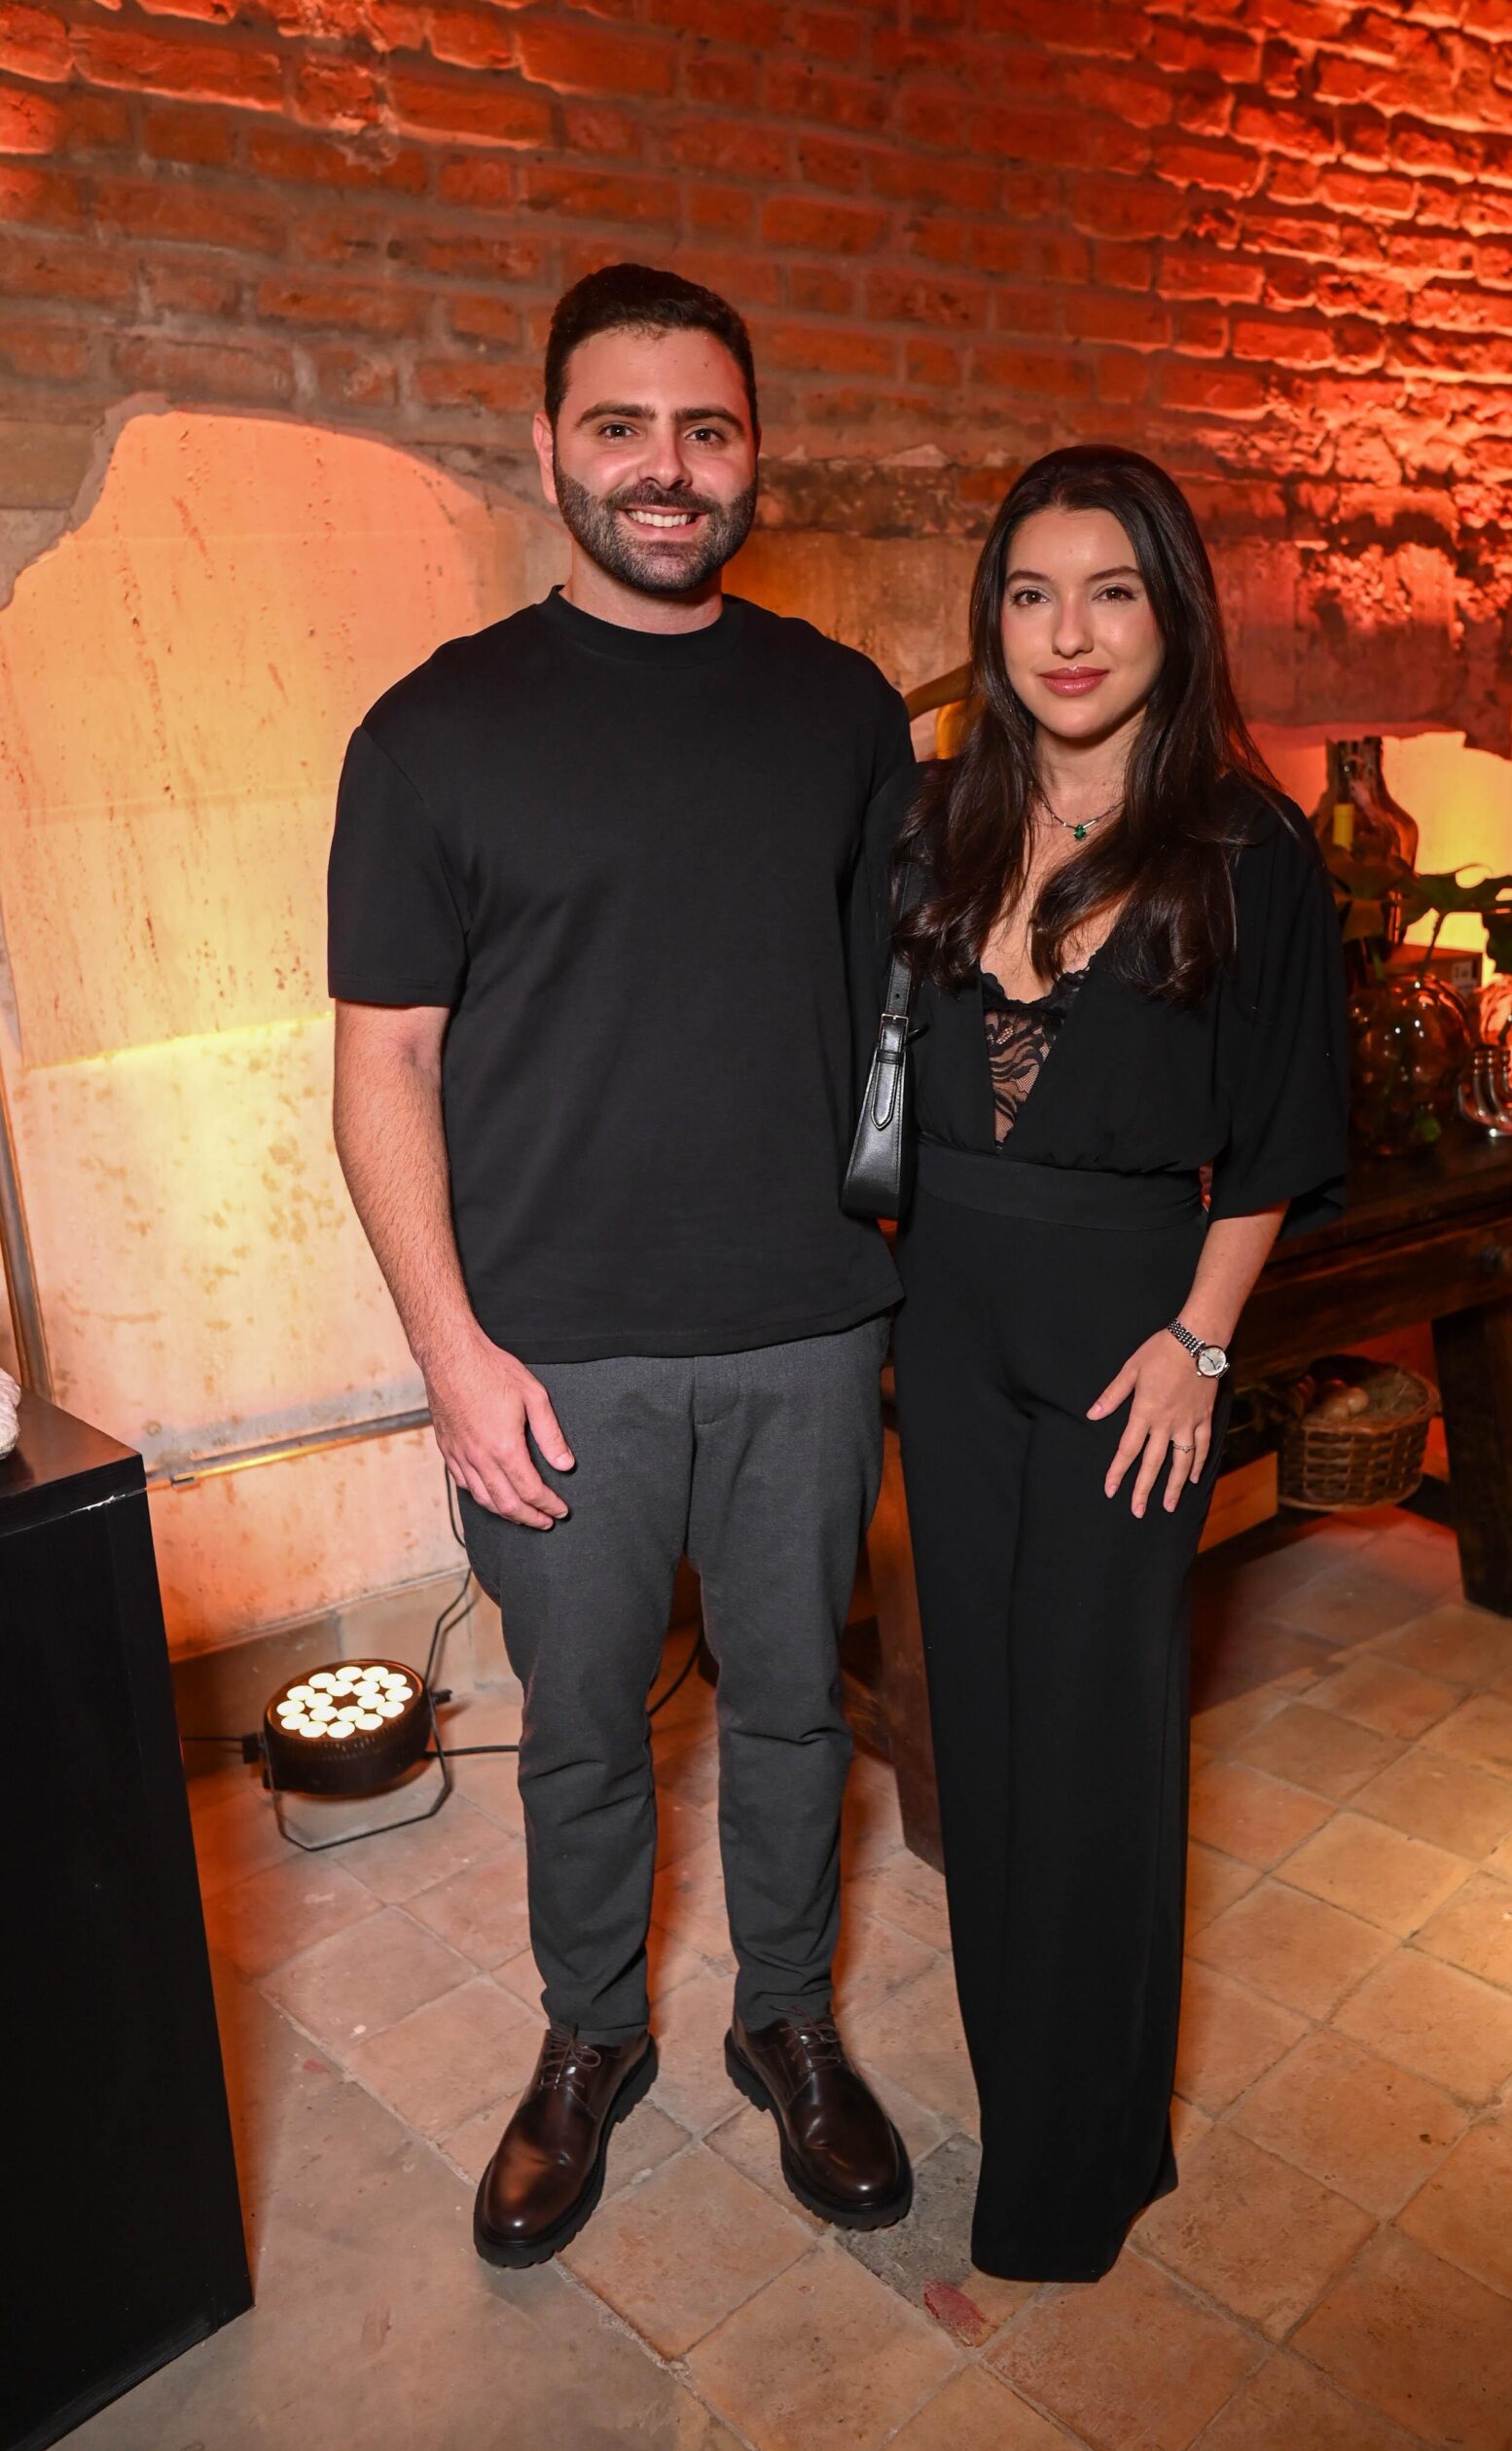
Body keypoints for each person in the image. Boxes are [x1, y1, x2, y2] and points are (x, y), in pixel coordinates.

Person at [327, 263, 916, 2266]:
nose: (666, 468)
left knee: (795, 1710)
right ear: (546, 447)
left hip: (806, 1331)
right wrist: (451, 1352)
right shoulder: (433, 731)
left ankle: (786, 2019)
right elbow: (383, 1066)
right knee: (582, 1729)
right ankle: (590, 2036)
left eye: (705, 429)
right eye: (620, 426)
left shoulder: (840, 710)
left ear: (752, 454)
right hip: (550, 1355)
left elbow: (897, 1014)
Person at [887, 445, 1347, 2282]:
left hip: (1127, 1347)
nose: (1065, 634)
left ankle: (1078, 2168)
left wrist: (1198, 1345)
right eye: (1028, 594)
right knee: (981, 1733)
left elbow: (1287, 1131)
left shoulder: (1246, 848)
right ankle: (1023, 2099)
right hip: (946, 1328)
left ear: (1171, 616)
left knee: (1091, 1739)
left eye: (1108, 593)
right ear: (991, 620)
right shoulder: (936, 824)